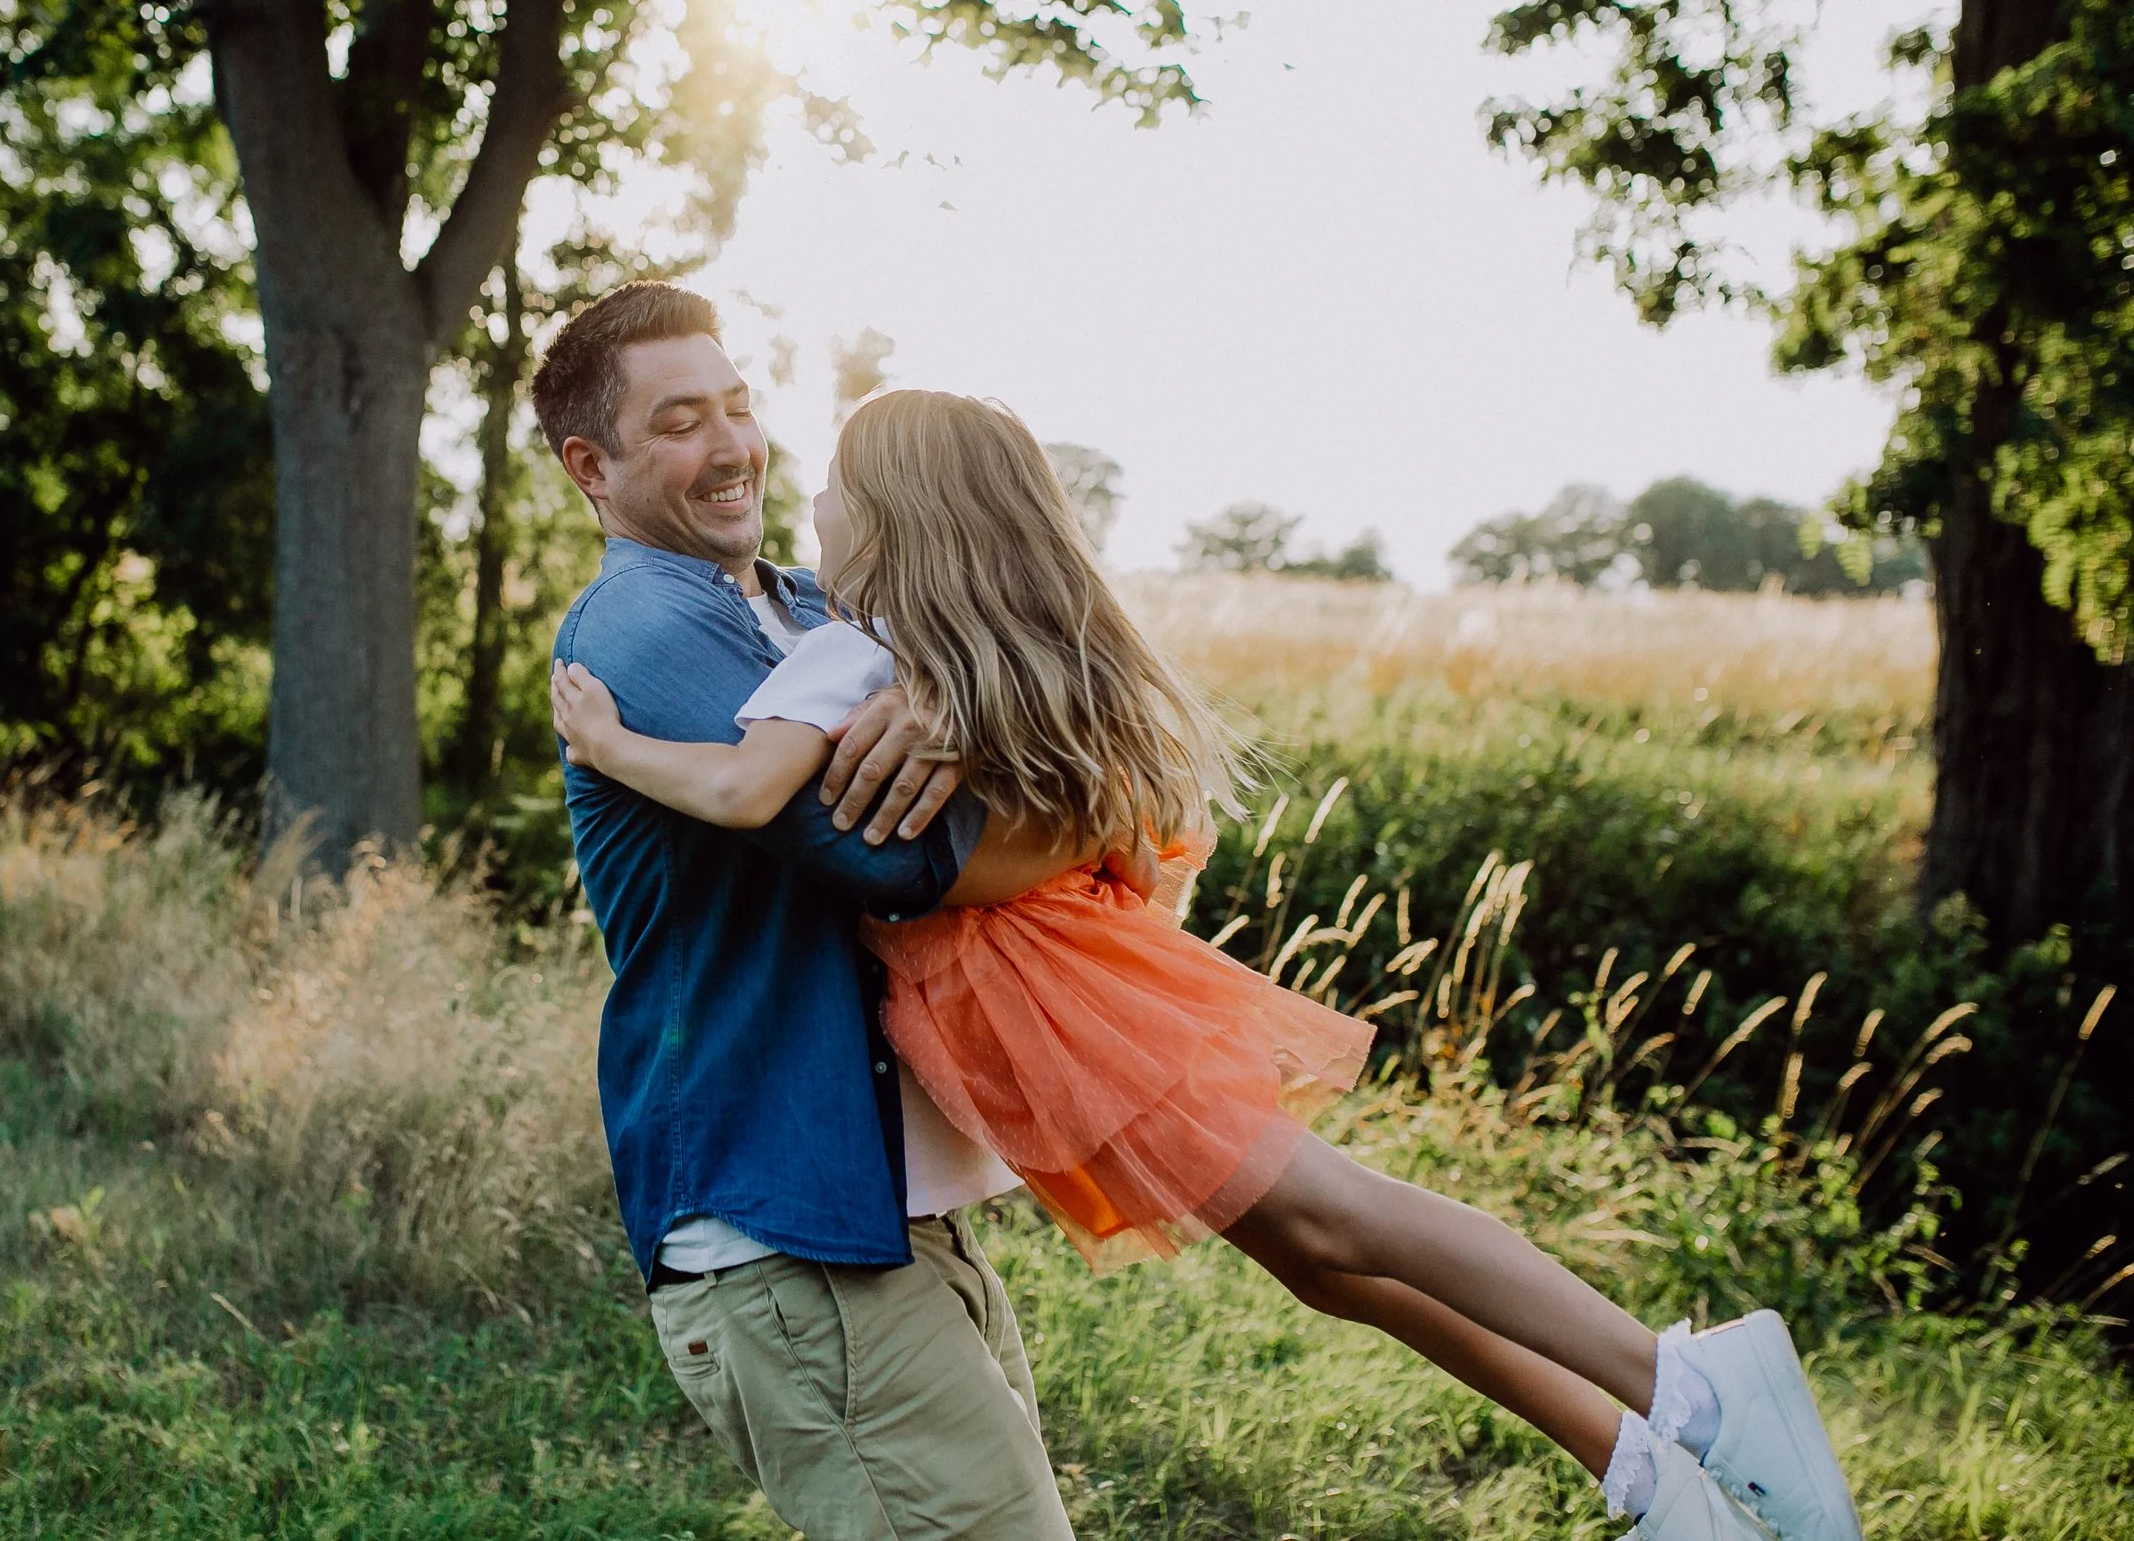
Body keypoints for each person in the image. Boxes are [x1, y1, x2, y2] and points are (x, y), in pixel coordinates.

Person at [552, 387, 1868, 1541]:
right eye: (685, 421)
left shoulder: (898, 657)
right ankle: (1640, 1456)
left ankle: (1688, 1387)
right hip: (1061, 1017)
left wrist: (615, 748)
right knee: (1318, 1251)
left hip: (1072, 1013)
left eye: (833, 486)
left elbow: (872, 844)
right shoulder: (922, 651)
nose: (805, 499)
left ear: (900, 518)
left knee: (1345, 1217)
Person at [537, 285, 1118, 1540]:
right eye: (681, 421)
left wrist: (968, 715)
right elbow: (884, 855)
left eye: (738, 406)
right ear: (592, 464)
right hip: (786, 1222)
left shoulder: (810, 604)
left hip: (891, 1208)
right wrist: (1088, 825)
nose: (735, 445)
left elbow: (1006, 660)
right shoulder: (638, 625)